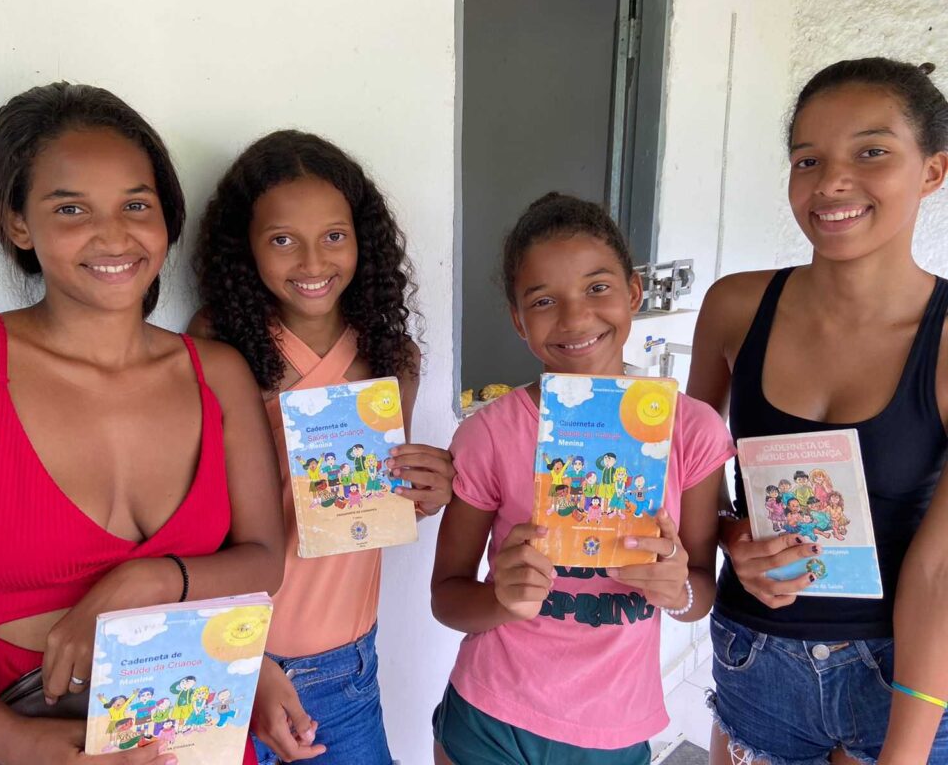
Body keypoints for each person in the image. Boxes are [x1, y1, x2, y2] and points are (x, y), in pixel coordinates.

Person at [0, 82, 285, 765]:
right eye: (71, 208)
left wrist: (148, 581)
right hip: (23, 735)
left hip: (195, 727)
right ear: (18, 224)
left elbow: (264, 562)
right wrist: (13, 741)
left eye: (136, 205)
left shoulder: (217, 373)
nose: (114, 234)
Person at [688, 58, 948, 764]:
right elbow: (688, 472)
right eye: (808, 159)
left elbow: (939, 571)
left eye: (871, 152)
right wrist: (731, 534)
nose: (831, 182)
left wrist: (904, 754)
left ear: (931, 171)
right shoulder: (735, 306)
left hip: (906, 673)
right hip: (754, 656)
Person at [430, 192, 734, 765]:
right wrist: (502, 599)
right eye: (544, 300)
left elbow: (700, 592)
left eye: (597, 287)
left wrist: (678, 591)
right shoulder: (489, 434)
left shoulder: (691, 430)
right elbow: (447, 597)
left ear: (634, 293)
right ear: (519, 321)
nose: (574, 318)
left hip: (615, 727)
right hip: (490, 716)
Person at [190, 130, 455, 764]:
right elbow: (190, 506)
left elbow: (383, 498)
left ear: (363, 238)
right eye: (283, 240)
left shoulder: (393, 356)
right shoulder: (219, 346)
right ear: (245, 246)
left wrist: (426, 492)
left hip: (344, 666)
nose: (312, 262)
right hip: (234, 658)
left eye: (334, 235)